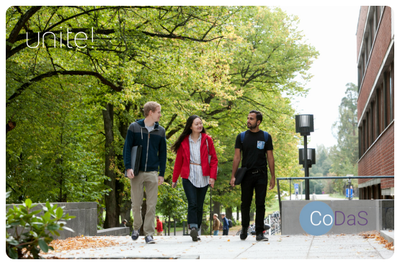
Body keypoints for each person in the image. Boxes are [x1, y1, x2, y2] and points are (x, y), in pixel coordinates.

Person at [123, 101, 167, 244]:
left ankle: (149, 234)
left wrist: (162, 173)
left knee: (151, 205)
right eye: (158, 112)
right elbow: (127, 149)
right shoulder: (134, 127)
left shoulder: (160, 131)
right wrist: (128, 167)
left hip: (153, 172)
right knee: (136, 204)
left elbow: (163, 154)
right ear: (150, 112)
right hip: (136, 172)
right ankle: (136, 228)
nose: (160, 115)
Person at [230, 110, 275, 242]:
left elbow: (270, 157)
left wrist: (273, 176)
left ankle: (260, 232)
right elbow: (237, 157)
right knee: (245, 203)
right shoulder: (242, 137)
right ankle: (244, 228)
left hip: (261, 174)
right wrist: (233, 175)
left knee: (260, 203)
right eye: (248, 118)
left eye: (251, 119)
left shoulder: (266, 137)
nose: (248, 121)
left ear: (258, 122)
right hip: (246, 175)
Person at [172, 115, 218, 242]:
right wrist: (174, 179)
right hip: (189, 175)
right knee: (192, 203)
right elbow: (178, 161)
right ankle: (192, 227)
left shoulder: (207, 140)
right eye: (196, 124)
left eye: (201, 123)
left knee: (199, 205)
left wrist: (213, 177)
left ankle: (196, 230)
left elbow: (214, 159)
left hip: (204, 175)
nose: (199, 125)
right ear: (190, 126)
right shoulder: (184, 141)